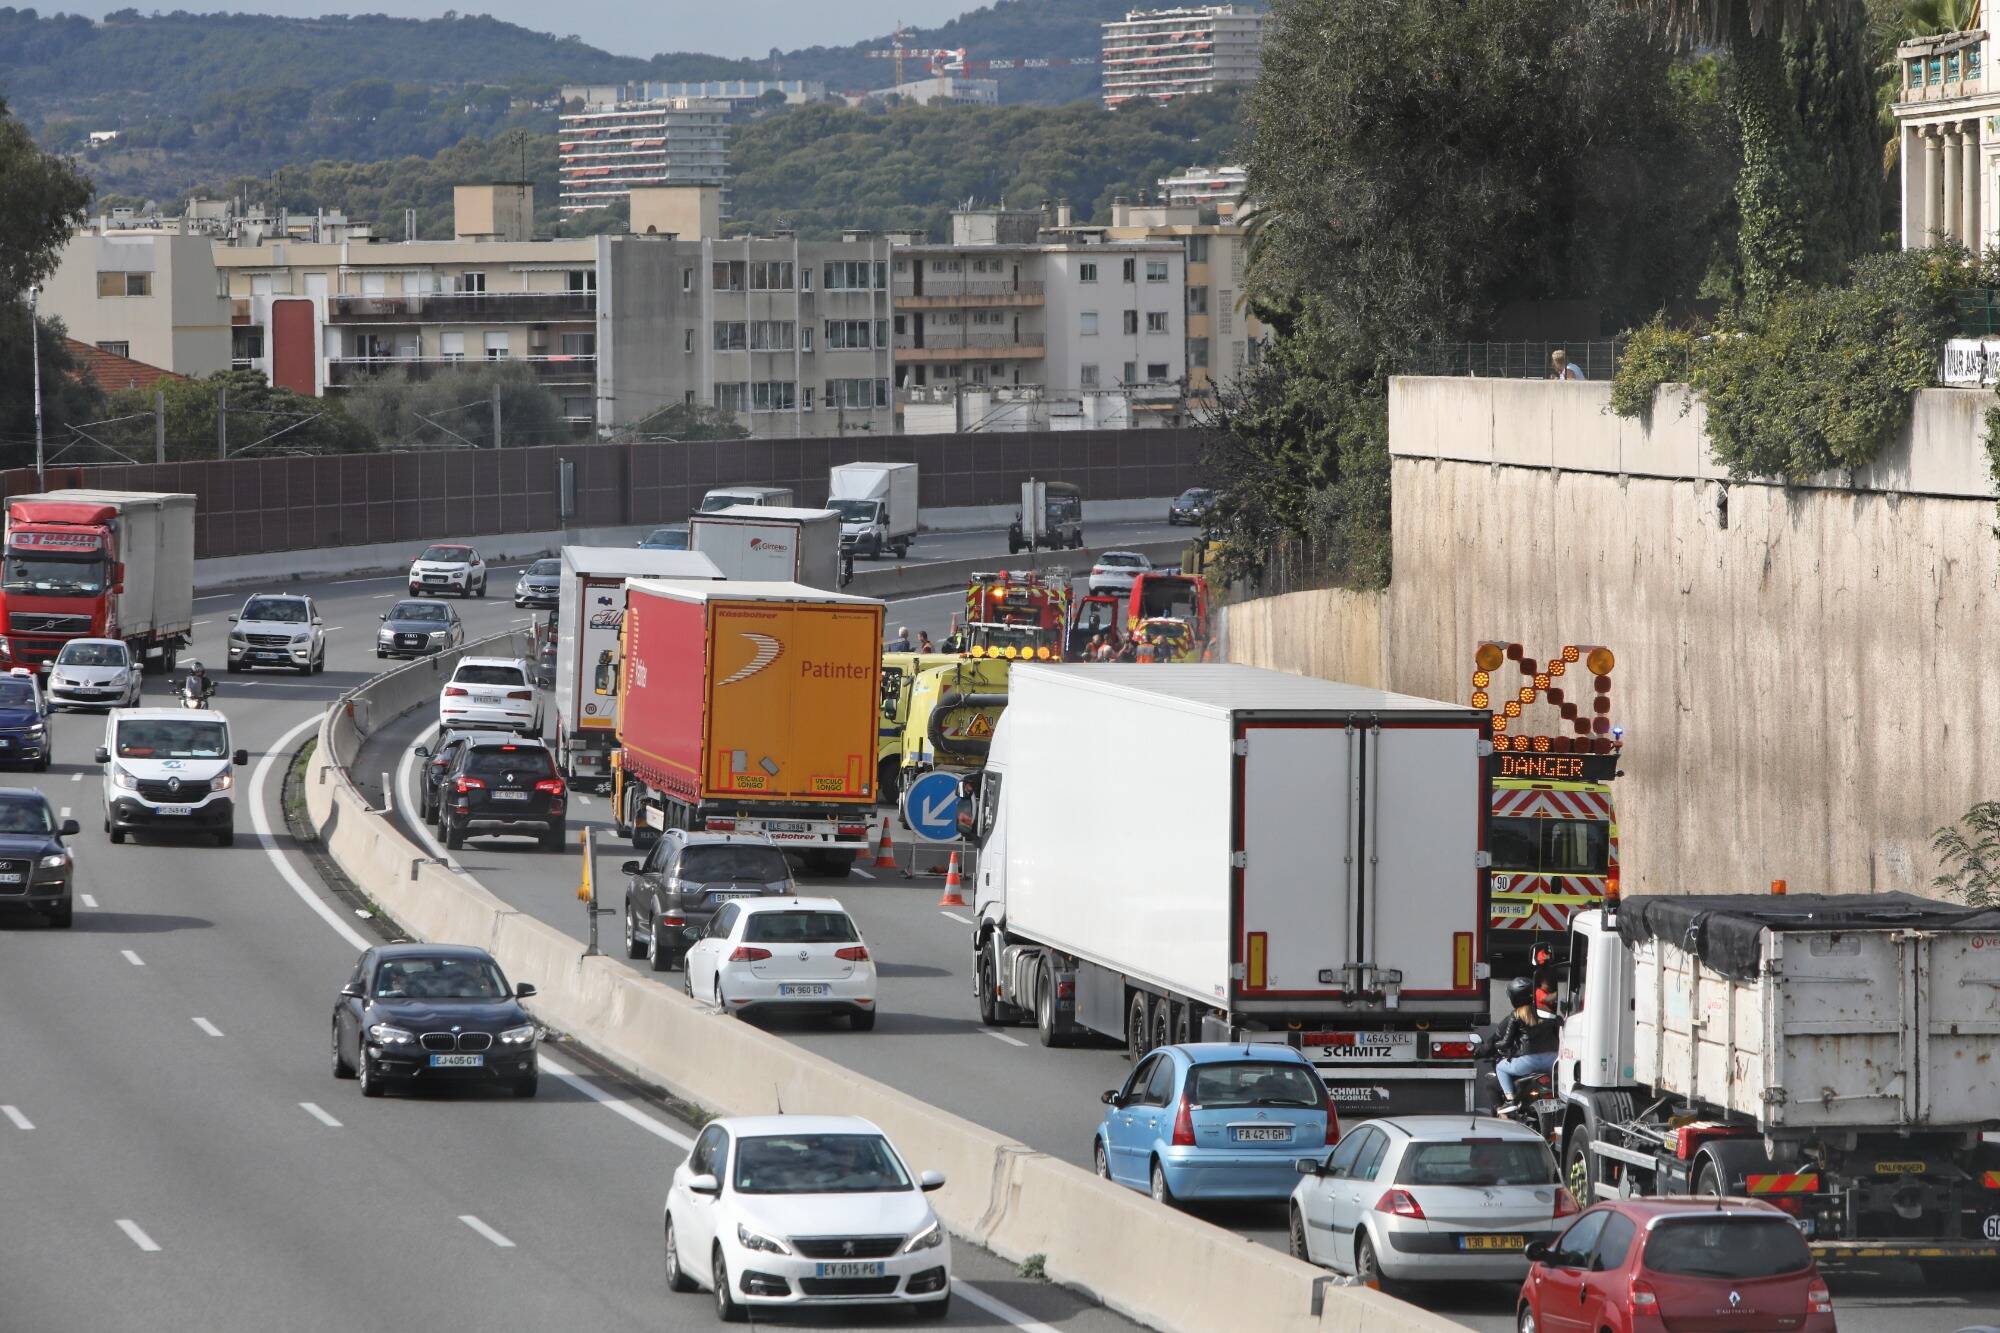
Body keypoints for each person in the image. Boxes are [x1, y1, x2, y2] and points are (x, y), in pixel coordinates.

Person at [1493, 974, 1562, 1114]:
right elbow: (1560, 1033)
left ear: (1513, 997)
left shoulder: (1517, 1015)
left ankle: (1510, 1100)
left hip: (1528, 1062)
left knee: (1500, 1067)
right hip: (1552, 1060)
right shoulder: (1548, 1012)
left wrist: (1497, 1046)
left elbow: (1506, 1042)